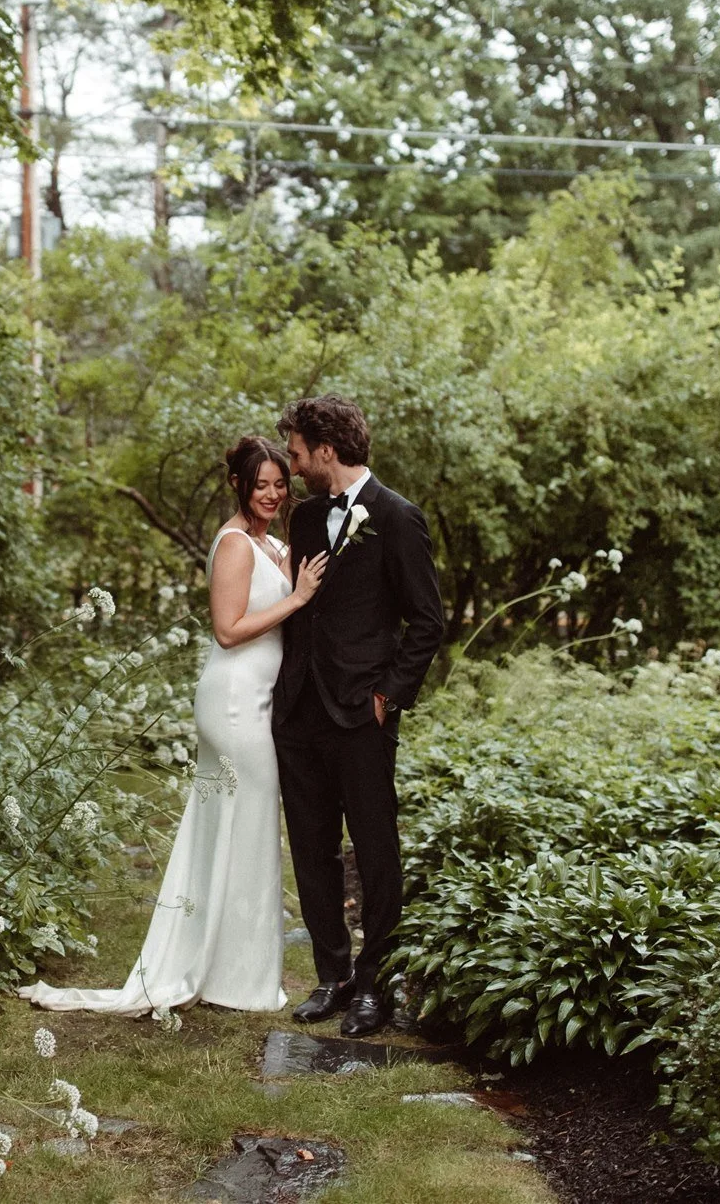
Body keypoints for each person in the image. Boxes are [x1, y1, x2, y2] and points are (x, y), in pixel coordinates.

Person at [19, 436, 326, 1016]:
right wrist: (298, 596)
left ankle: (230, 972)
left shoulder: (272, 544)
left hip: (259, 697)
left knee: (247, 827)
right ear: (238, 484)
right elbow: (228, 630)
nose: (272, 494)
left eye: (280, 484)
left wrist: (291, 572)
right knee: (246, 821)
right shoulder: (233, 544)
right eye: (260, 484)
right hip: (233, 699)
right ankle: (226, 976)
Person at [272, 395, 445, 1037]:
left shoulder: (399, 518)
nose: (292, 465)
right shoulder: (308, 516)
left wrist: (387, 695)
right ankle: (333, 977)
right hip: (301, 712)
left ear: (326, 449)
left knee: (375, 853)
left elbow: (427, 623)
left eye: (296, 453)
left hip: (363, 714)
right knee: (312, 850)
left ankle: (376, 986)